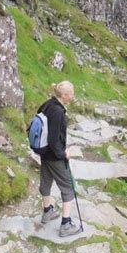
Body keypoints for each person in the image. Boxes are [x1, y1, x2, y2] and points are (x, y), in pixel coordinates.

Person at [37, 81, 81, 237]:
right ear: (65, 95)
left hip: (44, 154)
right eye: (71, 94)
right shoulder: (58, 112)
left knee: (46, 182)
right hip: (55, 156)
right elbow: (54, 140)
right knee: (68, 187)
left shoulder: (47, 104)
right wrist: (64, 154)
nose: (72, 96)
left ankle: (47, 211)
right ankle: (65, 224)